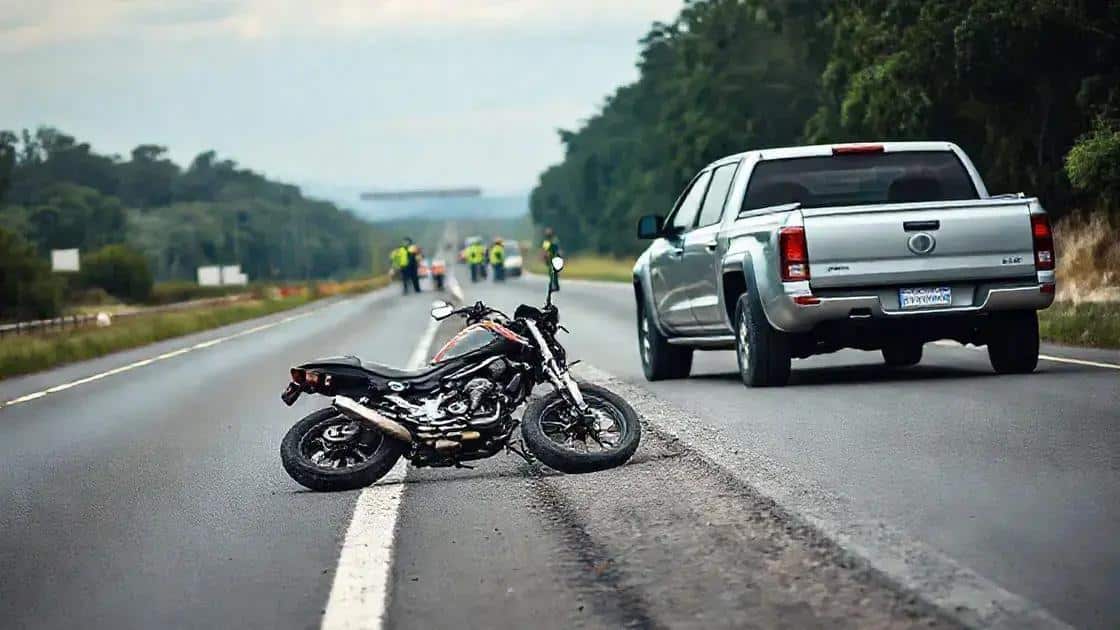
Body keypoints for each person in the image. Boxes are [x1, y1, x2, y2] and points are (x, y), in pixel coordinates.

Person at [541, 227, 561, 292]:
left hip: (555, 257)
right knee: (551, 272)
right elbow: (545, 250)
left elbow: (557, 249)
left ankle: (555, 285)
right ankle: (554, 284)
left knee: (554, 272)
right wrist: (544, 257)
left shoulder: (554, 240)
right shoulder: (546, 241)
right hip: (550, 259)